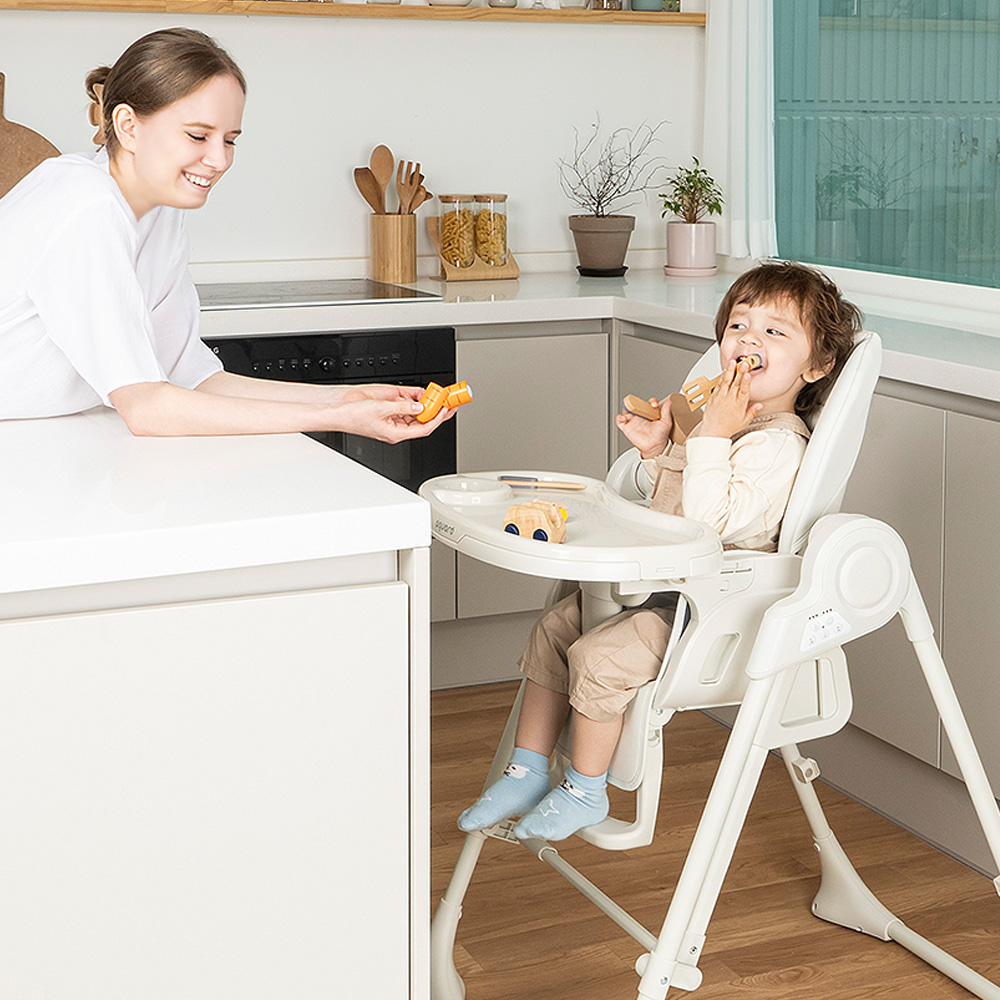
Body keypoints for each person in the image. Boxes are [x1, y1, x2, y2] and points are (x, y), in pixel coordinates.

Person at [457, 261, 863, 842]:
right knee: (554, 630)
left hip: (714, 608)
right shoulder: (720, 429)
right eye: (739, 326)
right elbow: (666, 513)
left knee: (599, 657)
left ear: (817, 365)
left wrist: (713, 436)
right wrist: (659, 453)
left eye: (775, 332)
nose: (750, 339)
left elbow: (706, 524)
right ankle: (525, 769)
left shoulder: (776, 447)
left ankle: (586, 790)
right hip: (665, 586)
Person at [0, 27, 450, 441]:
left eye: (230, 139)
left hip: (39, 439)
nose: (218, 160)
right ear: (128, 125)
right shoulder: (86, 203)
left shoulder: (160, 210)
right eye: (198, 136)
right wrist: (336, 420)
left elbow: (190, 376)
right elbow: (146, 408)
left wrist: (345, 399)